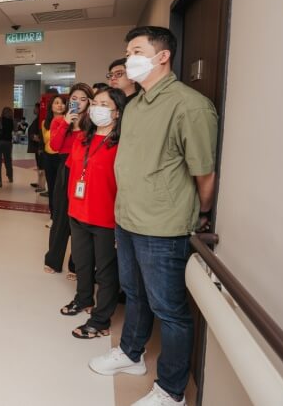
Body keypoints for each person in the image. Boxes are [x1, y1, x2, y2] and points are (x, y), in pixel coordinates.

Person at [89, 27, 217, 406]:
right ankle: (131, 354)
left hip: (163, 225)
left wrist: (202, 212)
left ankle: (171, 390)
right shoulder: (139, 104)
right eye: (128, 52)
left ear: (162, 56)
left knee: (169, 310)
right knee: (137, 295)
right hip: (128, 218)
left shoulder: (188, 105)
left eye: (137, 51)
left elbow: (204, 173)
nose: (129, 59)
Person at [60, 88, 127, 339]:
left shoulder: (122, 143)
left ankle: (100, 320)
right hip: (77, 212)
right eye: (95, 103)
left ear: (117, 112)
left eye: (104, 104)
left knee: (106, 271)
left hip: (106, 217)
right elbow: (73, 170)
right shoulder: (83, 138)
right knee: (83, 262)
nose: (97, 108)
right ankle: (83, 298)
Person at [44, 83, 94, 278]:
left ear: (89, 102)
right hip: (65, 167)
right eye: (74, 99)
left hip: (85, 170)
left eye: (83, 99)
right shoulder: (59, 121)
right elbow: (55, 146)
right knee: (60, 216)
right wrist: (66, 122)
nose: (78, 103)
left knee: (80, 219)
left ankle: (76, 265)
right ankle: (53, 260)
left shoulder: (92, 122)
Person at [40, 95, 67, 216]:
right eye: (56, 103)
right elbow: (47, 141)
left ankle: (61, 216)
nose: (60, 105)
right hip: (48, 157)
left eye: (62, 103)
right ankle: (53, 215)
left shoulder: (68, 121)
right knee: (51, 186)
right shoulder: (45, 123)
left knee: (61, 188)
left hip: (62, 158)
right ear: (51, 106)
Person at [27, 103, 45, 192]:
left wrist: (39, 143)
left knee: (42, 167)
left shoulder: (41, 120)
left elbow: (42, 135)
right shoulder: (37, 119)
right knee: (39, 166)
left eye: (35, 107)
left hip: (40, 147)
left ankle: (42, 186)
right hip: (37, 147)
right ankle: (39, 183)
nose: (34, 109)